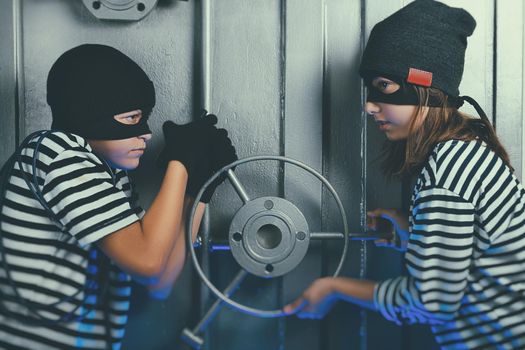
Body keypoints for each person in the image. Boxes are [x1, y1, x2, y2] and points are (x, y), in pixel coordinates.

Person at [284, 1, 525, 349]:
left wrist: (334, 288)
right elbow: (477, 264)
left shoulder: (447, 173)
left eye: (383, 86)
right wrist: (411, 234)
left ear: (426, 86)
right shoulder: (465, 150)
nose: (368, 105)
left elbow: (432, 305)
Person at [0, 44, 237, 349]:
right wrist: (180, 163)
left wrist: (198, 190)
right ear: (88, 114)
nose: (147, 133)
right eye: (130, 118)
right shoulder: (57, 153)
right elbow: (149, 261)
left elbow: (159, 280)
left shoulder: (108, 173)